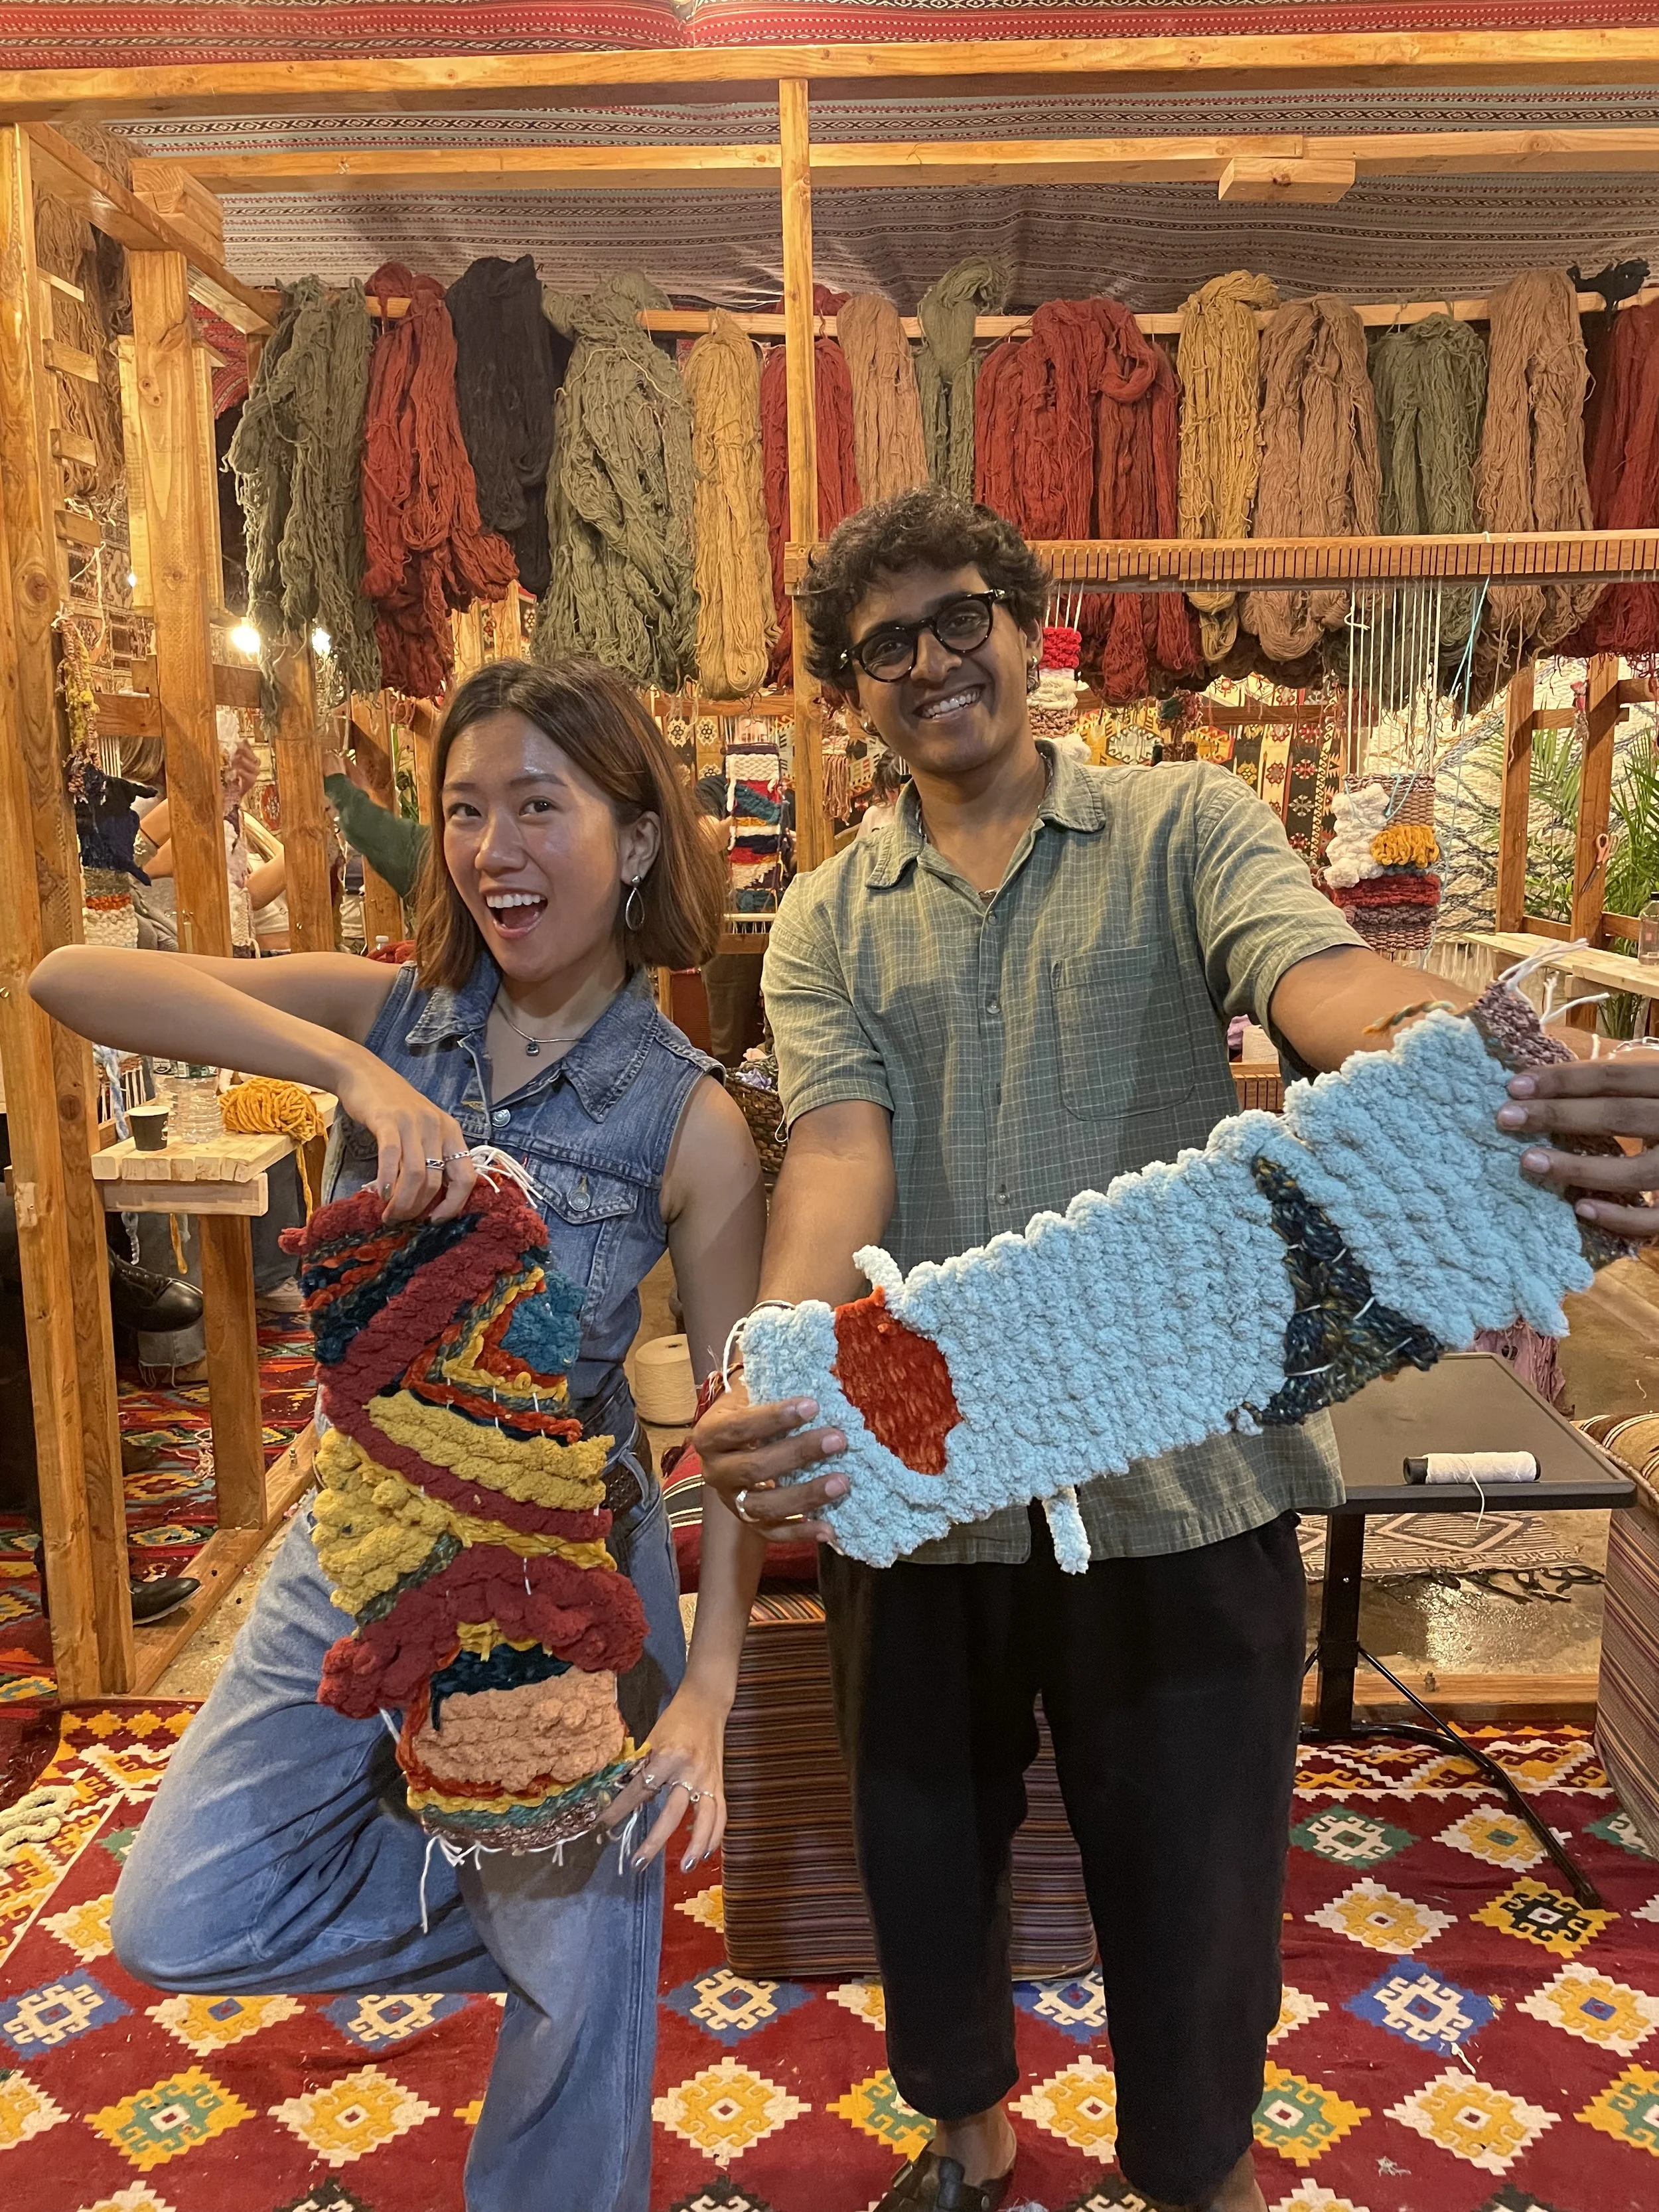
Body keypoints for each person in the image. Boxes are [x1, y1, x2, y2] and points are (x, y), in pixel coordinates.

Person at [687, 487, 1659, 2212]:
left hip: (1187, 1472)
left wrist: (1455, 1057)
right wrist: (779, 1357)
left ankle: (1189, 2176)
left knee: (1197, 1876)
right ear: (851, 690)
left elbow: (1318, 981)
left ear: (1022, 623)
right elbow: (838, 1147)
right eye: (882, 643)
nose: (929, 660)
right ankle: (969, 2141)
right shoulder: (831, 916)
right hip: (931, 1470)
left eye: (958, 614)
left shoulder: (1184, 823)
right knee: (920, 1846)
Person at [32, 657, 770, 2212]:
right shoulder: (402, 1014)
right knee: (177, 1912)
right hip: (353, 1547)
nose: (493, 849)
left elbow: (733, 1416)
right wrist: (346, 1065)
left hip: (561, 1585)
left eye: (538, 808)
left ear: (635, 841)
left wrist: (705, 1684)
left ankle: (576, 1944)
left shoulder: (687, 1118)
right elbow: (64, 975)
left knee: (576, 2006)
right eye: (462, 811)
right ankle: (548, 1916)